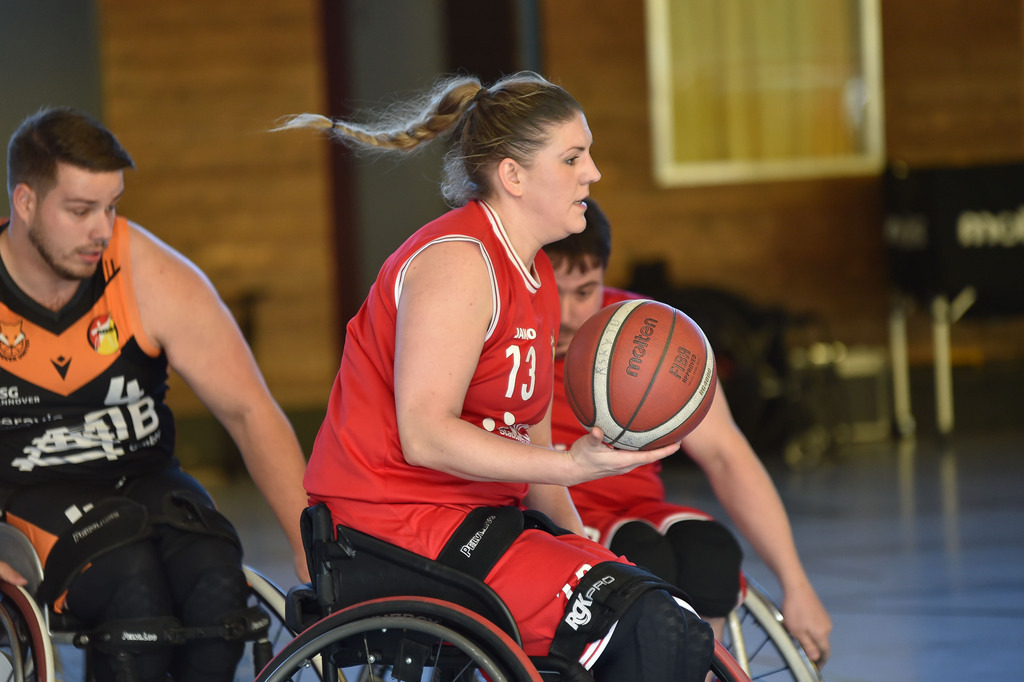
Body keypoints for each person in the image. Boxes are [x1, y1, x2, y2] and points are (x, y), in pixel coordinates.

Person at [283, 72, 714, 681]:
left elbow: (525, 433)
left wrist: (581, 542)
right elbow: (425, 435)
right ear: (513, 176)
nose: (593, 173)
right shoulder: (459, 261)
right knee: (650, 629)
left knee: (671, 617)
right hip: (393, 527)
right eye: (572, 158)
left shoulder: (534, 276)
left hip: (476, 521)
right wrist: (575, 464)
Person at [0, 106, 310, 682]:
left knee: (217, 587)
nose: (101, 228)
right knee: (131, 591)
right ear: (25, 203)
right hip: (32, 490)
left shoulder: (146, 270)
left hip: (146, 478)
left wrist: (309, 546)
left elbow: (248, 410)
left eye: (112, 206)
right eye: (80, 210)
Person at [543, 198, 833, 667]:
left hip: (636, 507)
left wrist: (796, 586)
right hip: (547, 511)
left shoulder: (646, 331)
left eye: (585, 292)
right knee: (639, 563)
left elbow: (725, 455)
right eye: (551, 292)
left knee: (711, 553)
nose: (567, 314)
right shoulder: (502, 333)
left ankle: (699, 670)